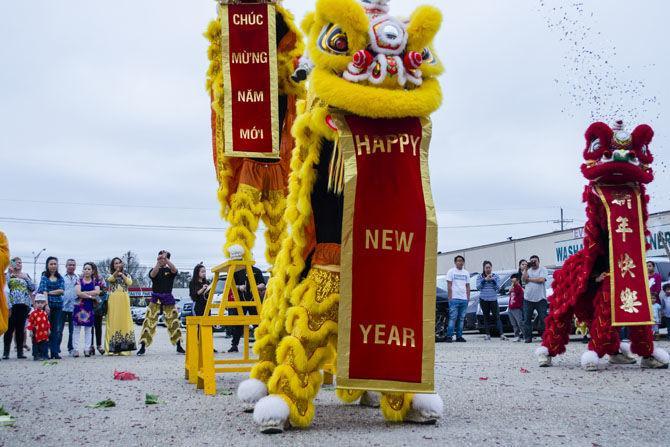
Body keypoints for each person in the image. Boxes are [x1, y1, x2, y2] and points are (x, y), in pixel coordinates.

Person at [137, 250, 184, 356]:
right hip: (156, 298)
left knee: (173, 322)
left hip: (168, 297)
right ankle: (143, 346)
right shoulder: (154, 269)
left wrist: (166, 259)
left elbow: (175, 270)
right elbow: (152, 275)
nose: (162, 259)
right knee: (149, 321)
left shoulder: (170, 270)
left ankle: (178, 346)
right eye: (160, 257)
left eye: (164, 258)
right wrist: (158, 263)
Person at [228, 265, 266, 352]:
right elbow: (230, 284)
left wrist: (256, 287)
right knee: (238, 323)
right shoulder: (237, 271)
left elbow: (263, 284)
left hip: (254, 300)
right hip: (240, 301)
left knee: (258, 323)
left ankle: (261, 344)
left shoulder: (257, 270)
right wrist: (239, 287)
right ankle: (234, 345)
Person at [3, 257, 35, 359]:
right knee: (9, 329)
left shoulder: (25, 275)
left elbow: (32, 288)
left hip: (24, 305)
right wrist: (8, 273)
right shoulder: (8, 275)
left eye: (20, 262)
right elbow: (4, 287)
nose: (19, 264)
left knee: (20, 329)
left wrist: (25, 278)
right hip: (11, 306)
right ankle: (6, 352)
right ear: (11, 264)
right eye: (16, 262)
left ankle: (20, 352)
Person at [105, 257, 136, 355]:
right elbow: (110, 279)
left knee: (124, 320)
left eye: (119, 263)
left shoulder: (127, 274)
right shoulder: (110, 274)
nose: (117, 265)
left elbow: (130, 283)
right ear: (113, 266)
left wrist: (122, 274)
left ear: (122, 264)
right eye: (115, 263)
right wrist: (116, 272)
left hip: (124, 300)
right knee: (113, 321)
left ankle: (125, 349)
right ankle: (112, 349)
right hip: (113, 300)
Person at [37, 256, 65, 359]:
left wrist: (49, 292)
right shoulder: (44, 277)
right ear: (47, 266)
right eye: (51, 264)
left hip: (58, 306)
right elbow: (43, 290)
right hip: (47, 306)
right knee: (44, 329)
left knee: (55, 330)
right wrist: (46, 305)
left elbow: (61, 290)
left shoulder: (60, 277)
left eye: (55, 264)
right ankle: (44, 353)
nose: (53, 266)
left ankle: (54, 352)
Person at [73, 262, 101, 357]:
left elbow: (97, 291)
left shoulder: (95, 281)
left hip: (89, 308)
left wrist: (84, 292)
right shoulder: (78, 280)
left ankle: (87, 349)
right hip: (79, 307)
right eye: (85, 269)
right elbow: (78, 293)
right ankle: (76, 350)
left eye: (89, 269)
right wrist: (90, 296)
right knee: (77, 329)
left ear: (92, 271)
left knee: (88, 330)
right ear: (83, 270)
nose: (87, 270)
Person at [521, 255, 548, 343]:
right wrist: (525, 269)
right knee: (527, 319)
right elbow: (524, 280)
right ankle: (528, 337)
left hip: (540, 298)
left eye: (535, 261)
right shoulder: (528, 270)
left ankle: (545, 337)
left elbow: (541, 280)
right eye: (531, 261)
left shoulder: (543, 269)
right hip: (528, 298)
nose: (533, 262)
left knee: (543, 319)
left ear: (538, 261)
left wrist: (530, 279)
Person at [477, 261, 506, 340]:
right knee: (486, 317)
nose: (488, 269)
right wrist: (484, 280)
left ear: (491, 268)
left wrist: (493, 280)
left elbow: (498, 288)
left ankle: (502, 334)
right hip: (483, 299)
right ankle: (487, 335)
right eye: (486, 268)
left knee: (497, 316)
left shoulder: (495, 276)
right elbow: (478, 287)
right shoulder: (480, 276)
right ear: (484, 268)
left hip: (493, 299)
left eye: (489, 267)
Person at [445, 255, 470, 343]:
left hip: (463, 299)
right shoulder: (451, 271)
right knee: (453, 318)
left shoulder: (466, 273)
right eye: (458, 261)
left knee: (461, 319)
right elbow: (449, 285)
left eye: (461, 261)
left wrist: (468, 298)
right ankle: (449, 336)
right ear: (455, 262)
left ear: (463, 262)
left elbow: (467, 286)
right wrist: (450, 298)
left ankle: (459, 336)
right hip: (454, 299)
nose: (460, 262)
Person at [62, 259, 78, 356]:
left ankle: (71, 348)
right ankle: (55, 349)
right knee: (59, 329)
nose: (71, 266)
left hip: (74, 307)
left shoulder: (78, 278)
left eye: (73, 265)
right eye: (69, 265)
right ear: (66, 266)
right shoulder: (61, 278)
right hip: (62, 306)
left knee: (73, 330)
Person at [27, 294, 50, 361]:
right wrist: (30, 331)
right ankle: (36, 355)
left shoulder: (45, 313)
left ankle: (44, 355)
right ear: (35, 303)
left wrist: (48, 329)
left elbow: (47, 322)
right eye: (38, 303)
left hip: (44, 332)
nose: (40, 304)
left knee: (44, 344)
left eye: (42, 303)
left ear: (44, 304)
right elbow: (30, 322)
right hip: (36, 332)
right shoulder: (33, 313)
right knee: (35, 344)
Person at [90, 264, 107, 355]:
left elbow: (104, 290)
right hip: (87, 304)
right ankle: (90, 346)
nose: (90, 271)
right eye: (88, 268)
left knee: (98, 326)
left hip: (98, 305)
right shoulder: (83, 279)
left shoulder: (99, 278)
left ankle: (99, 345)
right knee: (89, 327)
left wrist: (96, 293)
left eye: (92, 269)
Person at [508, 273, 524, 342]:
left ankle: (525, 335)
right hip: (511, 307)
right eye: (511, 281)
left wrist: (514, 283)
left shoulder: (518, 287)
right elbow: (509, 291)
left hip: (517, 308)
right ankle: (516, 335)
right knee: (513, 323)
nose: (512, 282)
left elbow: (511, 290)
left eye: (513, 281)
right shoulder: (513, 287)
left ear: (517, 280)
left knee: (519, 322)